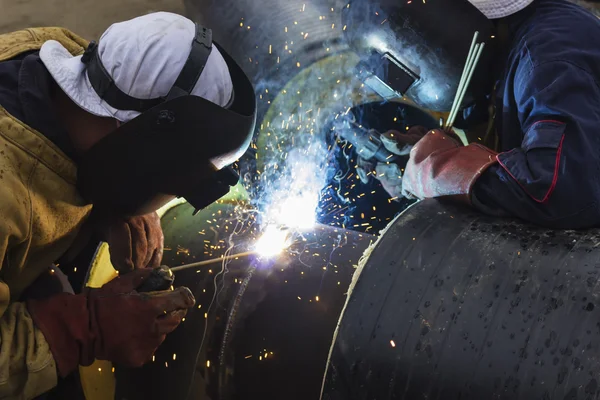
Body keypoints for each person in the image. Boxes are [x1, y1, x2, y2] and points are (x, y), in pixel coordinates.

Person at [0, 11, 255, 399]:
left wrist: (110, 205)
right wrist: (87, 328)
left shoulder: (64, 57)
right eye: (174, 181)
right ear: (136, 142)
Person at [350, 0, 600, 229]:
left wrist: (437, 173)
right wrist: (418, 157)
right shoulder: (496, 49)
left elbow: (560, 190)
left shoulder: (547, 57)